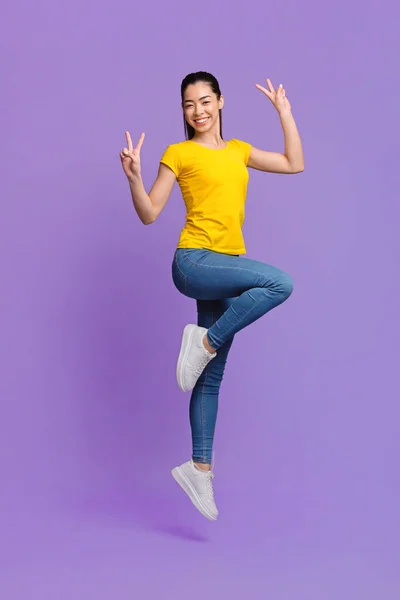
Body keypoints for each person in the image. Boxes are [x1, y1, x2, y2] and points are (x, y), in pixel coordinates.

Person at [120, 71, 304, 521]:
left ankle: (199, 468)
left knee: (210, 378)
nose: (198, 111)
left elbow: (293, 163)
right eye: (188, 104)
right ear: (183, 111)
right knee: (279, 282)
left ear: (220, 102)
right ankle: (202, 341)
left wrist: (285, 114)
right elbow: (150, 213)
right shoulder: (178, 153)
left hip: (225, 267)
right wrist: (133, 177)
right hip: (194, 262)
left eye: (205, 101)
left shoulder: (239, 151)